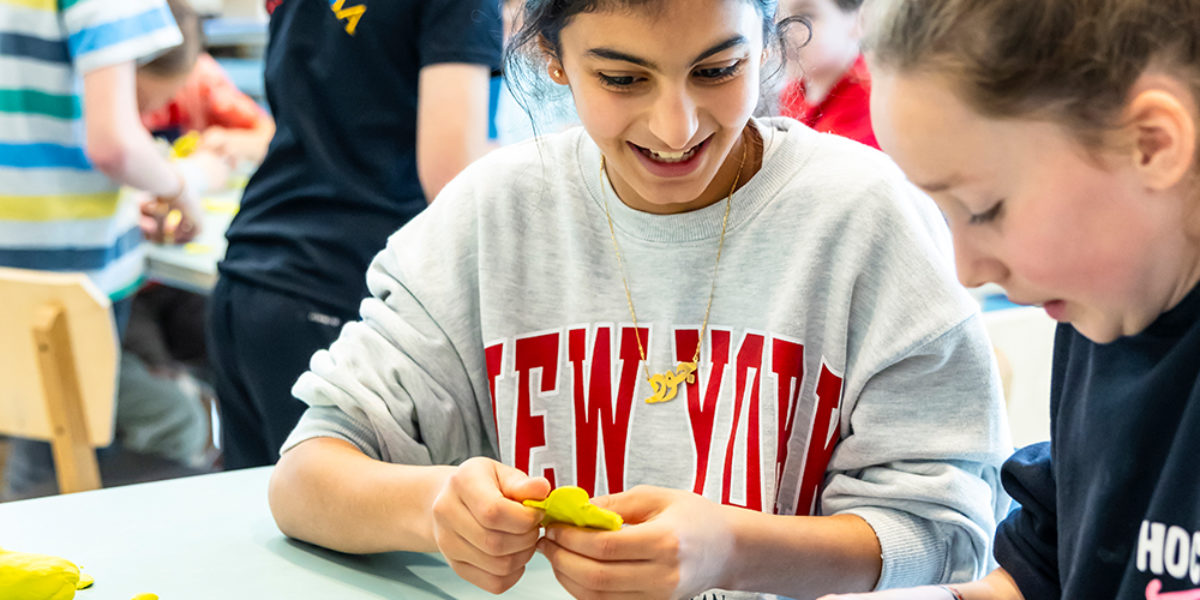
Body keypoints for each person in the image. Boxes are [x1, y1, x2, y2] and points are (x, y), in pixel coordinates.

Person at [267, 0, 1013, 598]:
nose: (676, 126)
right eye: (623, 79)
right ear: (551, 59)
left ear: (767, 36)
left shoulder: (865, 215)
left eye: (719, 68)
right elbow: (305, 477)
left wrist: (733, 551)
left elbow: (949, 531)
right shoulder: (493, 215)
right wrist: (436, 509)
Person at [820, 1, 1200, 599]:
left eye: (983, 210)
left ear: (1151, 143)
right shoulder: (1103, 306)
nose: (968, 271)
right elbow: (1038, 580)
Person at [206, 0, 503, 470]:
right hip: (337, 285)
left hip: (248, 274)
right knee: (341, 526)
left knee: (264, 524)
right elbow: (451, 179)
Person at [0, 0, 210, 498]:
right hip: (72, 272)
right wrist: (179, 188)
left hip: (18, 257)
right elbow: (113, 143)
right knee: (62, 462)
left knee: (41, 445)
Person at [138, 0, 275, 166]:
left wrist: (235, 143)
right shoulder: (112, 86)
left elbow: (269, 133)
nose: (152, 108)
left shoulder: (203, 81)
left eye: (169, 94)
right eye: (141, 97)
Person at [776, 0, 877, 149]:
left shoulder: (872, 103)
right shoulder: (792, 93)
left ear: (860, 20)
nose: (784, 32)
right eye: (776, 16)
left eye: (805, 15)